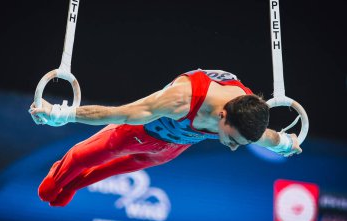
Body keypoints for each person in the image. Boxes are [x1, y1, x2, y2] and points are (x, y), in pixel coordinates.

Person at [29, 69, 302, 207]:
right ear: (222, 116)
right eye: (232, 140)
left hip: (170, 150)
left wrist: (287, 143)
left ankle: (73, 186)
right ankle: (58, 178)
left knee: (109, 170)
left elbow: (270, 139)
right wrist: (62, 113)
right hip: (137, 134)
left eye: (239, 143)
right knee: (83, 157)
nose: (232, 148)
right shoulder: (182, 99)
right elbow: (119, 113)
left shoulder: (246, 119)